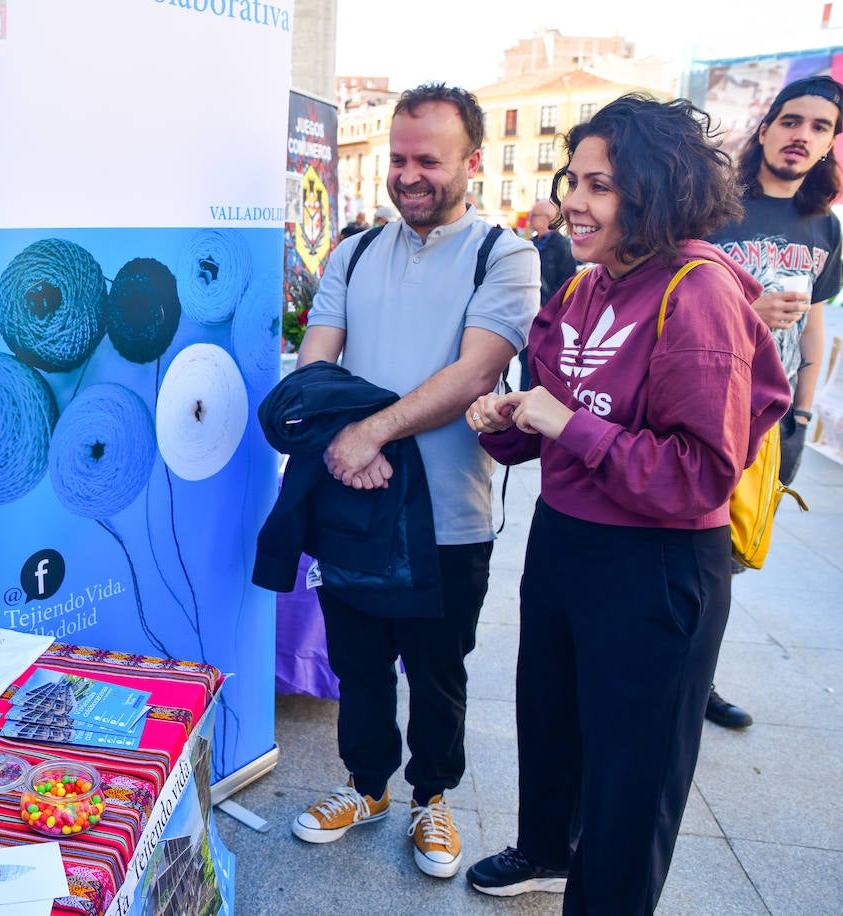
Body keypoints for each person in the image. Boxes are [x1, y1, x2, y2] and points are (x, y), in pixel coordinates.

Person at [464, 95, 790, 912]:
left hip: (657, 567)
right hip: (567, 543)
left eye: (600, 185)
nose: (572, 200)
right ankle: (545, 851)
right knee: (551, 725)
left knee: (632, 778)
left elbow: (697, 475)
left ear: (655, 189)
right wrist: (504, 420)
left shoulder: (698, 290)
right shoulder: (583, 288)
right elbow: (551, 424)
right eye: (573, 179)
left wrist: (568, 425)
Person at [289, 83, 539, 880]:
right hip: (352, 500)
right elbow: (314, 364)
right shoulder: (353, 252)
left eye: (426, 159)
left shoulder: (506, 254)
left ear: (470, 161)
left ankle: (433, 797)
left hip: (449, 516)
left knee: (437, 670)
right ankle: (366, 787)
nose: (407, 174)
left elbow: (473, 373)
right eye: (398, 158)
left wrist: (370, 431)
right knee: (356, 662)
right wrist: (347, 443)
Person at [703, 74, 843, 729]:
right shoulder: (715, 205)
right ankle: (672, 668)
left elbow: (814, 320)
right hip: (706, 401)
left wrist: (805, 414)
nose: (801, 136)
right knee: (691, 549)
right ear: (765, 129)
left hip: (773, 417)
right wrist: (746, 311)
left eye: (819, 127)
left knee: (731, 555)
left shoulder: (823, 226)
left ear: (830, 144)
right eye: (791, 121)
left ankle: (697, 678)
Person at [518, 199, 578, 390]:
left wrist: (546, 306)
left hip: (548, 318)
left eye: (533, 215)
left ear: (547, 219)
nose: (529, 219)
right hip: (528, 315)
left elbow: (566, 283)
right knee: (525, 361)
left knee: (542, 364)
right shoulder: (530, 243)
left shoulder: (562, 245)